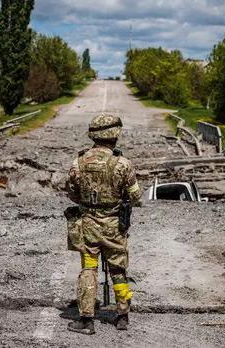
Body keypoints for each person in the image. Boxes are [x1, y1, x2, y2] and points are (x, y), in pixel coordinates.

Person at [65, 113, 142, 335]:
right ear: (115, 136)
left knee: (89, 268)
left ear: (93, 136)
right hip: (115, 227)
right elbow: (136, 197)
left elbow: (72, 193)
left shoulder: (78, 162)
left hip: (88, 225)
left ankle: (86, 320)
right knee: (118, 269)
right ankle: (122, 316)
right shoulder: (123, 164)